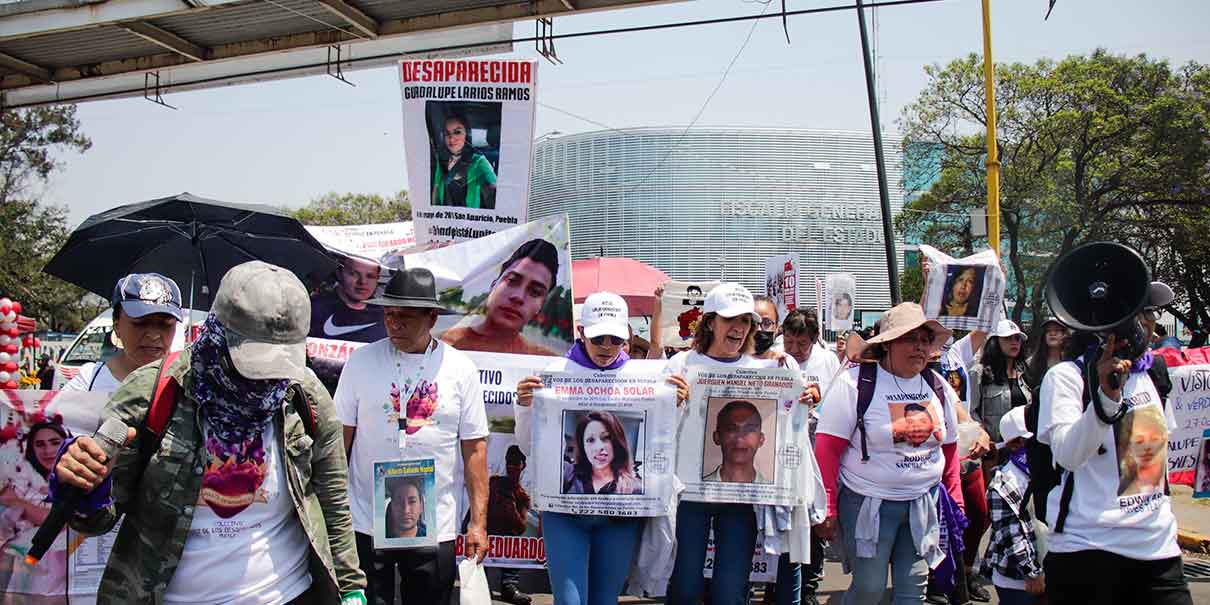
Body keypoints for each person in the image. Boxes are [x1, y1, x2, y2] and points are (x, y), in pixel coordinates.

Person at [51, 261, 367, 604]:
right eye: (255, 358)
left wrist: (350, 588)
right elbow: (96, 521)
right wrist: (83, 486)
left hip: (287, 595)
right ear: (217, 332)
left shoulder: (303, 395)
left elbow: (333, 502)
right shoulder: (151, 393)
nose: (265, 378)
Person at [514, 292, 689, 605]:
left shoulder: (648, 378)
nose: (607, 347)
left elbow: (662, 447)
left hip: (620, 513)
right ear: (581, 332)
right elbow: (529, 446)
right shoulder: (554, 373)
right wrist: (526, 407)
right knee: (569, 602)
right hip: (564, 513)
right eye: (598, 339)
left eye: (615, 339)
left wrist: (674, 407)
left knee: (605, 600)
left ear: (628, 336)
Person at [335, 267, 490, 605]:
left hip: (434, 523)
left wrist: (478, 523)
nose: (394, 324)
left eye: (405, 317)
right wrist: (333, 518)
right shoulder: (360, 362)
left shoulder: (461, 370)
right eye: (389, 315)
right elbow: (338, 442)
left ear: (432, 317)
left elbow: (475, 449)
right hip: (365, 520)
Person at [1036, 275, 1192, 604]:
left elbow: (1159, 459)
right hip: (1087, 552)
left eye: (1151, 312)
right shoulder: (1067, 377)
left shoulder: (1155, 374)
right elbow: (1068, 455)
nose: (1149, 321)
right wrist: (1106, 399)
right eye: (1141, 312)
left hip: (1157, 551)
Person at [663, 283, 811, 605]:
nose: (739, 328)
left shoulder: (766, 369)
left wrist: (804, 399)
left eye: (745, 321)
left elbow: (787, 417)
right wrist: (670, 402)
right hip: (690, 495)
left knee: (731, 591)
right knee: (685, 585)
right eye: (730, 319)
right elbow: (659, 431)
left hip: (740, 499)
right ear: (710, 322)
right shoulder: (680, 366)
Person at [814, 302, 965, 605]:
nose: (920, 347)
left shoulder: (937, 387)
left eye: (925, 340)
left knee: (913, 592)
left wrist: (955, 496)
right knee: (869, 588)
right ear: (887, 345)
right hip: (867, 504)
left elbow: (949, 447)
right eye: (910, 339)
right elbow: (827, 450)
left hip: (923, 504)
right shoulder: (854, 385)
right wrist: (827, 508)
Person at [775, 308, 838, 605]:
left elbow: (837, 399)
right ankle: (776, 582)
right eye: (789, 342)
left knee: (813, 518)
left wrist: (818, 396)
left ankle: (809, 585)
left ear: (814, 340)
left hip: (814, 447)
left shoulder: (827, 361)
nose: (794, 350)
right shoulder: (773, 355)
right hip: (778, 447)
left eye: (802, 345)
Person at [64, 272, 185, 392]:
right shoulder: (88, 381)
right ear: (117, 326)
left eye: (165, 325)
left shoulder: (187, 385)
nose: (153, 335)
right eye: (140, 323)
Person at [441, 239, 560, 356]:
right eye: (512, 281)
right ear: (493, 285)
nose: (518, 297)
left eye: (535, 292)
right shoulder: (439, 346)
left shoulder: (545, 363)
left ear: (541, 305)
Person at [978, 407, 1045, 605]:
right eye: (1028, 440)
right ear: (1014, 444)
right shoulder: (1004, 483)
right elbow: (1011, 535)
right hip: (1018, 581)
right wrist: (1032, 573)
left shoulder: (1045, 470)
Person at [0, 421, 69, 595]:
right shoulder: (22, 478)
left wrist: (18, 503)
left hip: (59, 577)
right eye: (40, 444)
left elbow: (63, 521)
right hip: (20, 576)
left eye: (55, 442)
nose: (48, 451)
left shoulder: (77, 479)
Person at [970, 320, 1031, 445]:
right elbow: (971, 411)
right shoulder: (979, 373)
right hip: (995, 449)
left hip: (1023, 449)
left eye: (1017, 338)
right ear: (995, 342)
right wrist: (983, 437)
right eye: (1008, 338)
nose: (1014, 342)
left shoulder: (1026, 373)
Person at [488, 445, 532, 605]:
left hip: (508, 535)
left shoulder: (522, 495)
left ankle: (509, 586)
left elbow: (521, 525)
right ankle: (482, 585)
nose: (511, 466)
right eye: (509, 462)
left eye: (515, 463)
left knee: (515, 544)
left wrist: (513, 508)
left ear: (523, 465)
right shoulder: (494, 482)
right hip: (489, 531)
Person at [309, 257, 387, 343]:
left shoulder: (387, 316)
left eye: (370, 276)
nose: (363, 281)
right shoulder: (313, 309)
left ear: (377, 279)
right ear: (339, 273)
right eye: (354, 274)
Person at [564, 411, 643, 494]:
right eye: (590, 440)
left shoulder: (634, 488)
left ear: (617, 442)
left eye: (606, 437)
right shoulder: (569, 473)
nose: (598, 447)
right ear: (583, 447)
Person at [431, 111, 497, 209]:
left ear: (467, 134)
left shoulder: (479, 161)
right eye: (447, 133)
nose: (451, 139)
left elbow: (495, 193)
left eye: (457, 132)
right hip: (444, 222)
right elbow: (436, 192)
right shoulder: (441, 160)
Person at [703, 401, 769, 483]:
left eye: (749, 429)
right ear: (717, 437)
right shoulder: (695, 490)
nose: (740, 438)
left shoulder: (777, 494)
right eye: (731, 429)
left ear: (761, 439)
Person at [1024, 317, 1068, 393]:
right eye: (1048, 331)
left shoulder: (1071, 363)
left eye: (1057, 330)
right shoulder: (1031, 363)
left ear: (1064, 334)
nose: (1052, 334)